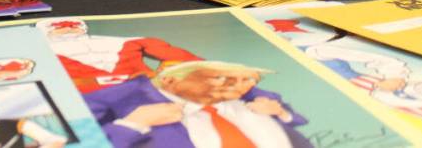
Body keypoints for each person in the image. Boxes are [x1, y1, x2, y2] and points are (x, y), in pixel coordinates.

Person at [83, 60, 309, 148]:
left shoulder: (249, 95)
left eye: (248, 80)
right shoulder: (123, 97)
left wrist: (280, 112)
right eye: (220, 77)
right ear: (171, 80)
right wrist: (133, 123)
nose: (238, 86)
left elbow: (294, 117)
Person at [37, 17, 200, 93]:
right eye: (59, 26)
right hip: (90, 98)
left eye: (71, 25)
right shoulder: (40, 55)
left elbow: (184, 58)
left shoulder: (128, 42)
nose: (67, 28)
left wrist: (166, 72)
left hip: (147, 90)